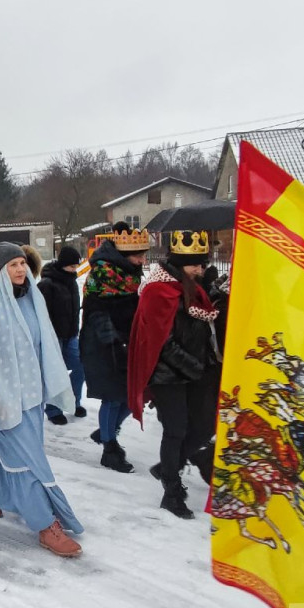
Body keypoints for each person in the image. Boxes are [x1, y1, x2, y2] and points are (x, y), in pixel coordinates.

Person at [0, 242, 84, 557]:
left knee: (2, 451)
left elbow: (45, 345)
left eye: (23, 263)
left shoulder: (33, 300)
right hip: (4, 399)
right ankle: (45, 524)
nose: (20, 269)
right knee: (29, 463)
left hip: (32, 398)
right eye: (12, 265)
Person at [128, 230, 221, 519]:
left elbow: (202, 327)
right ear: (181, 262)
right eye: (196, 264)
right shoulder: (159, 291)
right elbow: (162, 342)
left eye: (203, 264)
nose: (201, 269)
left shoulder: (190, 287)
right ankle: (171, 490)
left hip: (193, 372)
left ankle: (169, 465)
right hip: (167, 374)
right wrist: (193, 367)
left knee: (204, 425)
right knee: (176, 429)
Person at [79, 222, 149, 473]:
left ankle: (106, 431)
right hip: (103, 346)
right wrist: (116, 341)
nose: (142, 261)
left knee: (131, 398)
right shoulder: (103, 274)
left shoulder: (127, 274)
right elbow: (96, 312)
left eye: (143, 255)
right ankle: (109, 448)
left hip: (126, 342)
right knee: (114, 397)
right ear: (124, 255)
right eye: (138, 256)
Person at [38, 245, 87, 426]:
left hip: (71, 334)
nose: (75, 270)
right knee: (55, 373)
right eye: (72, 266)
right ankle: (53, 409)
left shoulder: (72, 282)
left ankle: (73, 401)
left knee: (81, 365)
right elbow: (43, 313)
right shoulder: (47, 284)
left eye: (76, 266)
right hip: (54, 337)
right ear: (63, 264)